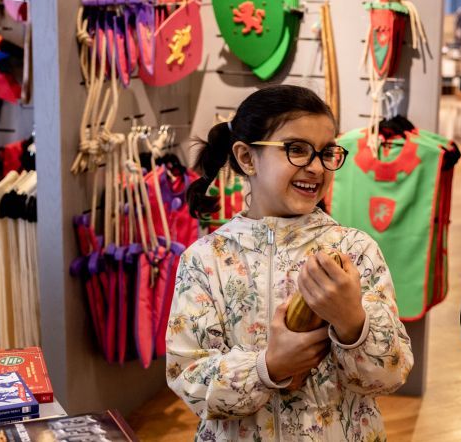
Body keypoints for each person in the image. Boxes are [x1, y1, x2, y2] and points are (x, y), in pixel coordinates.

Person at [166, 85, 413, 441]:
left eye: (326, 152)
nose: (315, 167)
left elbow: (389, 376)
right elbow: (187, 378)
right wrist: (268, 367)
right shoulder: (205, 261)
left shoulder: (354, 251)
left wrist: (351, 322)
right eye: (296, 150)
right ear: (248, 158)